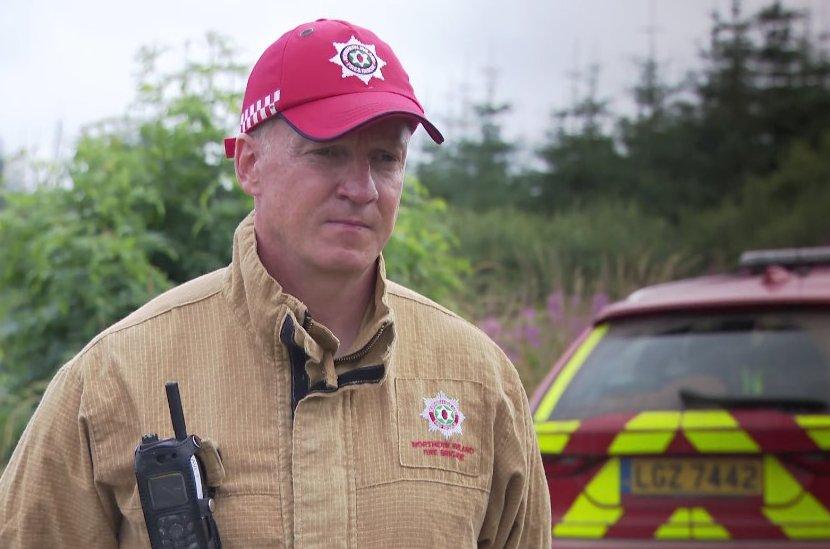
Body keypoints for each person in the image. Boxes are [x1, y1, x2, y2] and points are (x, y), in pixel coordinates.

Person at [0, 18, 551, 548]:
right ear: (248, 164)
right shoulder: (115, 377)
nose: (361, 188)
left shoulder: (479, 381)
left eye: (385, 158)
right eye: (327, 152)